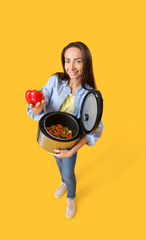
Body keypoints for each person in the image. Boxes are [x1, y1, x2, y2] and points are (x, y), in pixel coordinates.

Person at [26, 41, 104, 219]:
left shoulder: (90, 95)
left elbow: (95, 128)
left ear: (86, 63)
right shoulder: (55, 81)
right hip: (52, 138)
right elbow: (42, 97)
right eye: (67, 61)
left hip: (71, 143)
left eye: (78, 61)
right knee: (58, 165)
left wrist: (72, 151)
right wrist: (38, 108)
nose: (71, 67)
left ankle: (71, 196)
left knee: (69, 172)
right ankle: (63, 181)